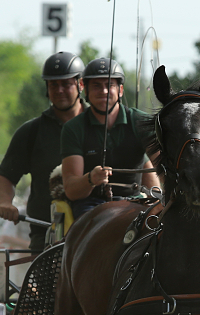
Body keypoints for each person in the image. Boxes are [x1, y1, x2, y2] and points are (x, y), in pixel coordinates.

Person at [0, 52, 89, 253]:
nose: (60, 90)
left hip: (94, 232)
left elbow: (142, 166)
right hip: (47, 234)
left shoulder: (102, 126)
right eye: (53, 85)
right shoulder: (31, 132)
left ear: (80, 85)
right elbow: (5, 178)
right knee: (49, 285)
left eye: (66, 84)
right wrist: (5, 202)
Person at [61, 58, 159, 220]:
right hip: (90, 205)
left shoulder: (142, 122)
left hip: (136, 202)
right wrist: (90, 179)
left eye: (110, 85)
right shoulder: (73, 128)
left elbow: (162, 167)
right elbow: (71, 190)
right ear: (85, 89)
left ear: (120, 90)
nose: (104, 91)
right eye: (96, 86)